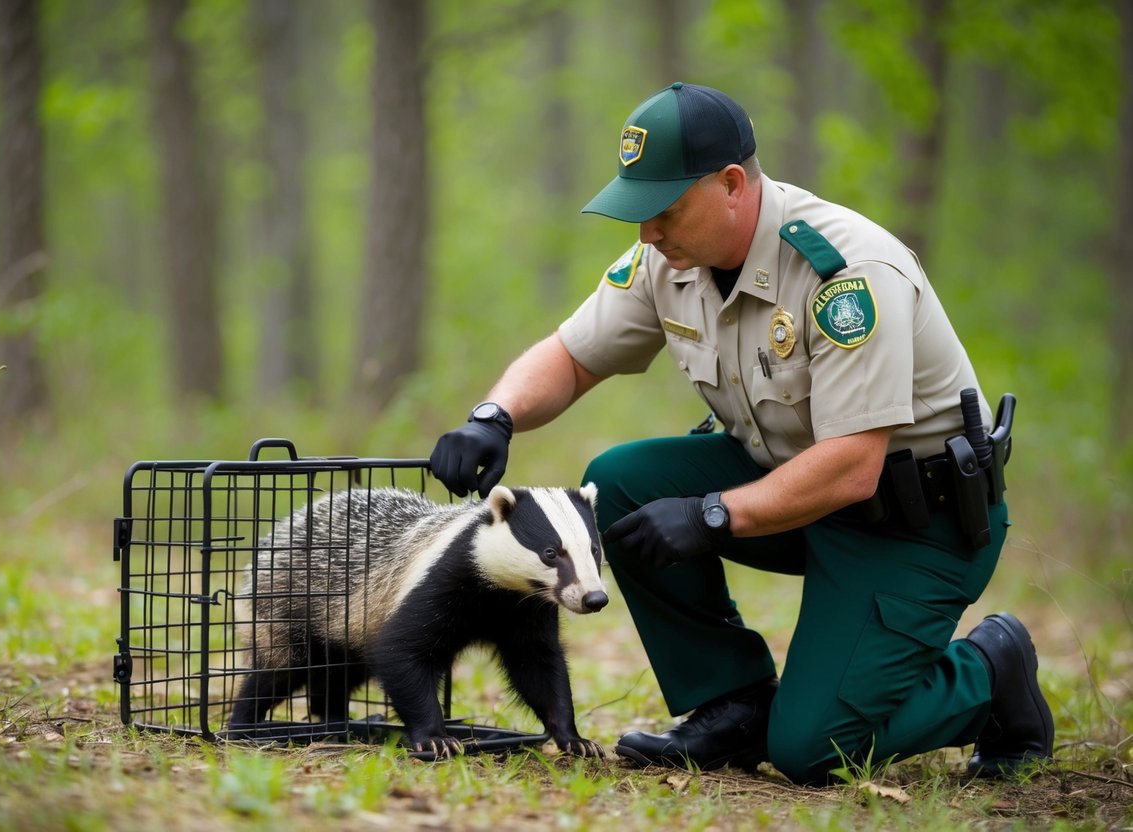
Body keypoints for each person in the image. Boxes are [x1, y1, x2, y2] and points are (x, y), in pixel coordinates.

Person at [429, 82, 1053, 785]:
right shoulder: (669, 261)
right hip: (793, 493)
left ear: (731, 185)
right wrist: (494, 415)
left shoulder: (845, 275)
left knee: (812, 749)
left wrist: (712, 513)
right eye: (638, 214)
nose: (647, 234)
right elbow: (572, 356)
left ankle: (990, 671)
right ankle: (729, 704)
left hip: (912, 523)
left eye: (663, 211)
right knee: (623, 483)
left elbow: (851, 466)